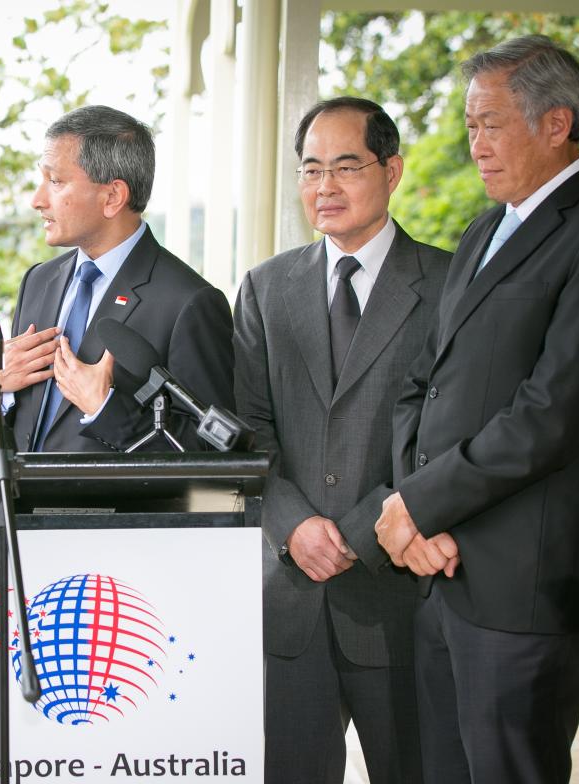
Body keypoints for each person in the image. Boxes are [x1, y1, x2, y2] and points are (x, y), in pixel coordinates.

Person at [375, 35, 579, 783]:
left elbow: (553, 414)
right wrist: (416, 514)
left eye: (491, 123)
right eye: (469, 126)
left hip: (527, 588)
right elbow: (422, 383)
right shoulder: (481, 232)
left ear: (556, 123)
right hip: (441, 571)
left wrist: (419, 505)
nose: (474, 143)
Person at [234, 97, 450, 783]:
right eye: (310, 170)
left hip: (402, 599)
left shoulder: (449, 285)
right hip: (290, 604)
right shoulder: (266, 289)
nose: (324, 187)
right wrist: (294, 525)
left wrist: (357, 532)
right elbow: (246, 433)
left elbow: (447, 435)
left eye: (346, 167)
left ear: (392, 171)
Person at [0, 104, 233, 452]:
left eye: (55, 181)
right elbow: (11, 430)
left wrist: (105, 408)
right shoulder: (38, 282)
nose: (37, 200)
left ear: (113, 196)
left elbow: (213, 452)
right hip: (19, 507)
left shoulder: (190, 303)